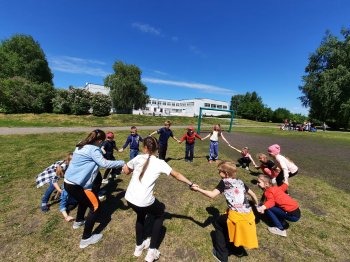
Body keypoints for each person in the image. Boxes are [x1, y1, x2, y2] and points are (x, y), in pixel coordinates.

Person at [122, 136, 195, 262]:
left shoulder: (138, 157)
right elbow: (177, 175)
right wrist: (190, 183)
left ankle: (138, 247)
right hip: (142, 200)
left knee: (140, 216)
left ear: (144, 148)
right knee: (160, 214)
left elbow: (126, 171)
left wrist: (124, 166)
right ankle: (152, 251)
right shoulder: (160, 163)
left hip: (129, 198)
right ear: (157, 148)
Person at [64, 129, 125, 249]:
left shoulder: (81, 144)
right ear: (100, 140)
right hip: (76, 185)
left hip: (69, 182)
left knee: (83, 201)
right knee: (95, 206)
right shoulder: (93, 149)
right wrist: (122, 162)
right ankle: (86, 239)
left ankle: (79, 221)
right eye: (101, 142)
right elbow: (105, 164)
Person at [192, 161, 259, 262]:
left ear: (226, 174)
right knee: (227, 223)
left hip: (237, 217)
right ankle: (238, 250)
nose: (218, 173)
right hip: (249, 216)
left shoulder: (224, 182)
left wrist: (198, 189)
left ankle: (221, 255)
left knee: (217, 224)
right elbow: (253, 195)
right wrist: (257, 206)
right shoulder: (240, 181)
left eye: (220, 171)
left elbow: (212, 195)